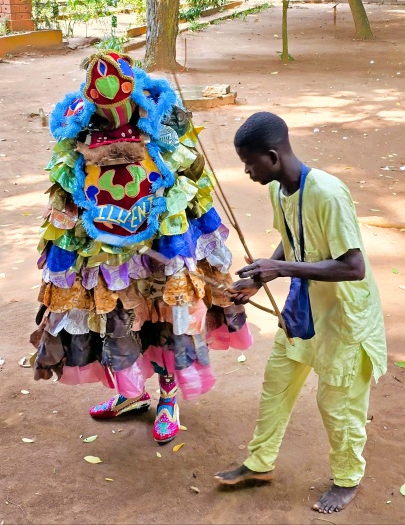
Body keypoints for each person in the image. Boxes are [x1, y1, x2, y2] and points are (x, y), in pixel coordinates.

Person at [30, 50, 252, 444]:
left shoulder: (162, 119)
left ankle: (168, 399)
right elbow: (68, 190)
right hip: (103, 248)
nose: (112, 107)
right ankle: (132, 395)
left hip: (163, 243)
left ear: (131, 89)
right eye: (101, 101)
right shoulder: (77, 126)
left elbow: (188, 180)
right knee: (117, 315)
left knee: (164, 314)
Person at [214, 112, 386, 514]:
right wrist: (260, 278)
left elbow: (352, 265)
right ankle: (259, 463)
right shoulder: (279, 191)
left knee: (337, 404)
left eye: (250, 163)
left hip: (346, 319)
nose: (247, 171)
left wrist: (282, 270)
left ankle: (347, 478)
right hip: (304, 312)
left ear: (272, 157)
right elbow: (290, 241)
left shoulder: (328, 193)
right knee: (276, 385)